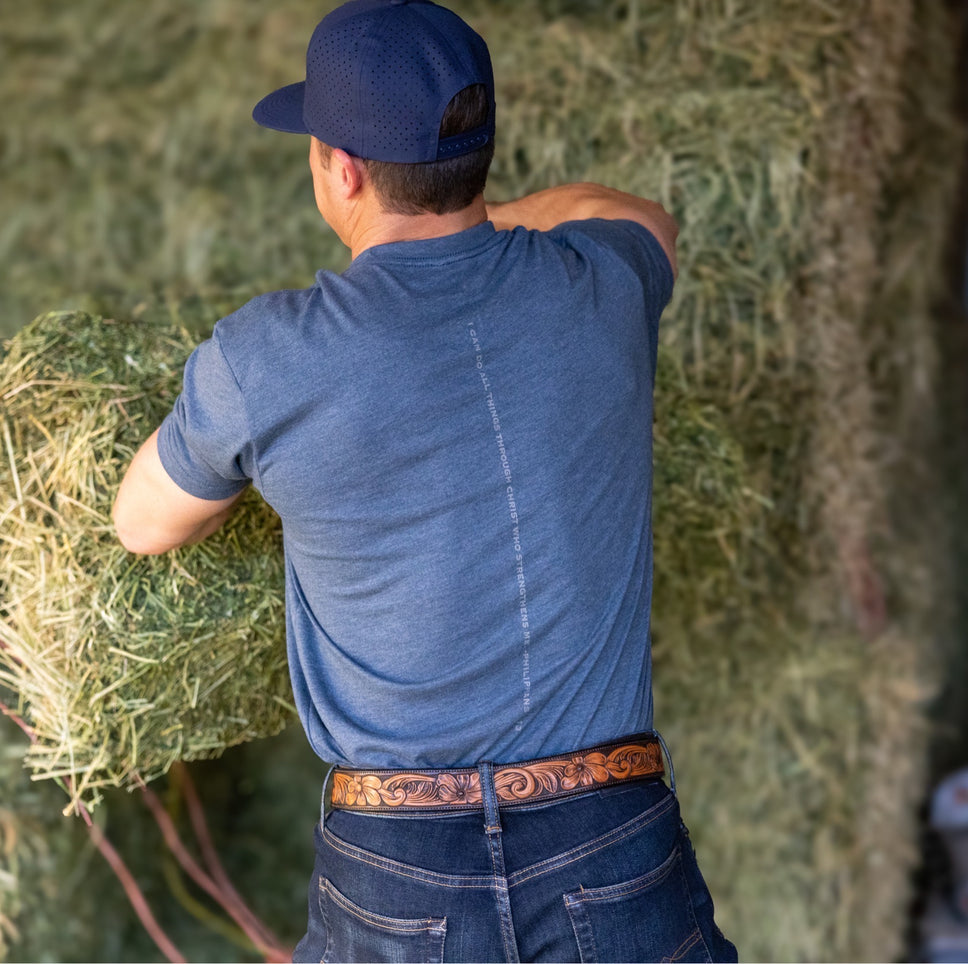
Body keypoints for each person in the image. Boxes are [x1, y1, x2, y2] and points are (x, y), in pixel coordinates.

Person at [113, 1, 737, 960]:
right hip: (612, 839)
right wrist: (489, 228)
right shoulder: (605, 289)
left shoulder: (265, 358)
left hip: (399, 866)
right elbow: (638, 214)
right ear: (476, 152)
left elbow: (142, 523)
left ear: (343, 168)